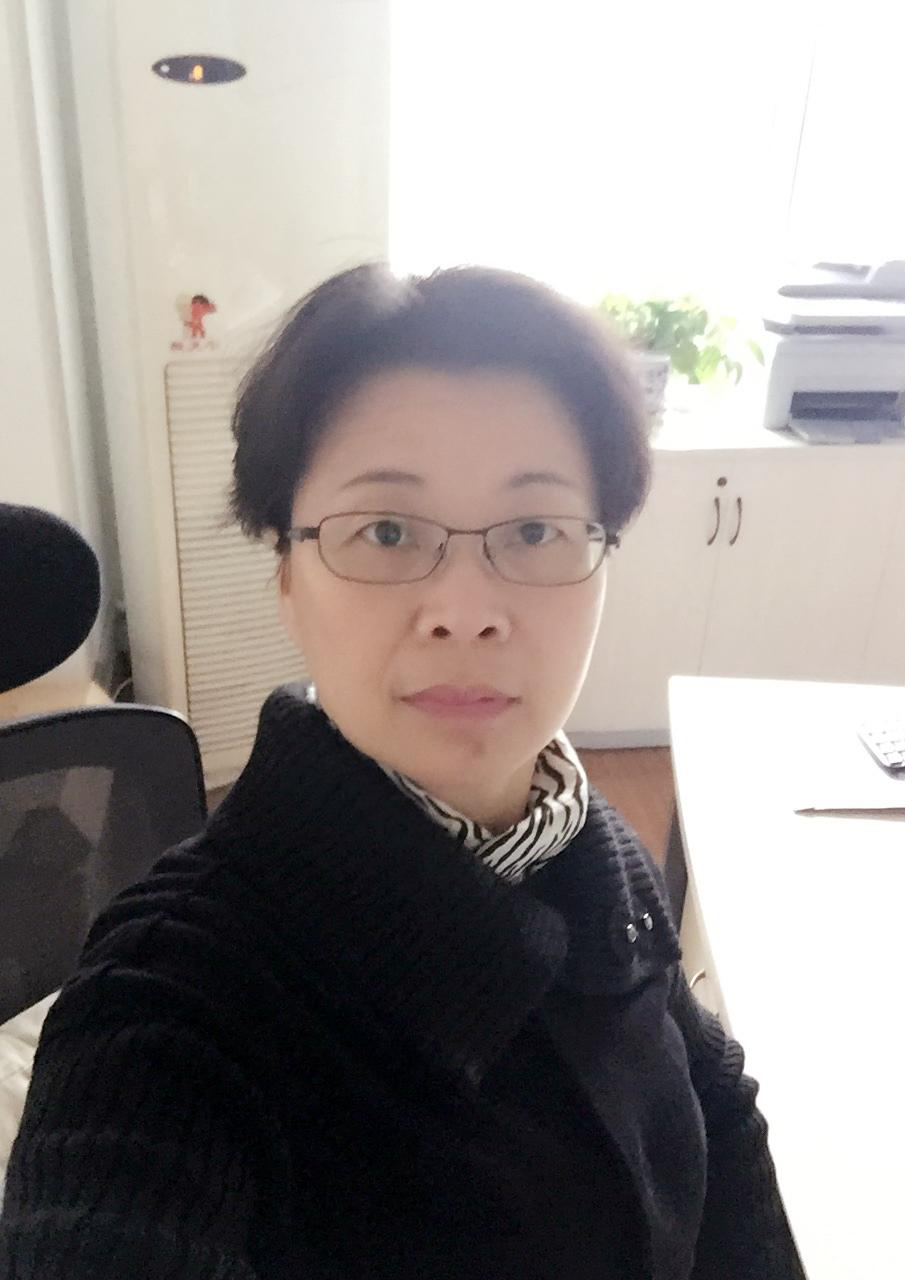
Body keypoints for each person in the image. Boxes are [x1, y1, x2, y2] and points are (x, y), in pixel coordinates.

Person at [0, 262, 805, 1278]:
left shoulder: (583, 841)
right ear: (286, 577)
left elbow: (715, 1100)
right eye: (386, 531)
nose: (465, 610)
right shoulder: (169, 1009)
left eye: (534, 530)